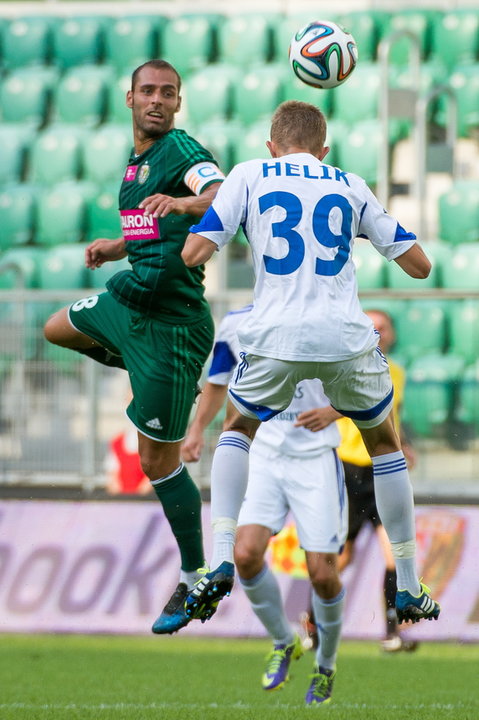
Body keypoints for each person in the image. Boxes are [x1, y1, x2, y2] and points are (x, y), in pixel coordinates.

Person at [181, 100, 440, 638]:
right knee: (386, 446)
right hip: (344, 337)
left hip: (275, 335)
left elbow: (194, 252)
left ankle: (222, 556)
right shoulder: (348, 182)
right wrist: (361, 228)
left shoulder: (250, 174)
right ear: (325, 150)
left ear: (270, 145)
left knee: (238, 429)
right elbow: (420, 266)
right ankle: (411, 582)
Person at [43, 59, 224, 635]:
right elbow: (153, 231)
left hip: (172, 324)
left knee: (156, 462)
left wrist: (185, 204)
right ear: (129, 99)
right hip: (129, 300)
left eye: (168, 93)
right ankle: (151, 378)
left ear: (177, 102)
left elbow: (220, 195)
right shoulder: (136, 165)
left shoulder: (179, 150)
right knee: (55, 328)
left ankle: (195, 572)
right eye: (148, 91)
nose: (157, 100)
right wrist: (117, 246)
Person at [182, 304, 347, 706]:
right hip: (264, 454)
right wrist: (196, 430)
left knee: (323, 575)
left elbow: (367, 384)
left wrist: (335, 410)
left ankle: (325, 665)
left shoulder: (333, 315)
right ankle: (282, 640)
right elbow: (218, 383)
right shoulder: (237, 322)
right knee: (245, 552)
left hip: (316, 460)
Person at [337, 308, 419, 652]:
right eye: (371, 327)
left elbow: (389, 417)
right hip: (347, 469)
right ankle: (311, 619)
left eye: (383, 328)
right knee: (342, 557)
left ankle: (391, 633)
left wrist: (404, 446)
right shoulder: (342, 369)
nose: (378, 333)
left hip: (382, 470)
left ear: (393, 335)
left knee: (394, 554)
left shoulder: (396, 373)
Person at [104, 424, 152, 496]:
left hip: (145, 499)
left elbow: (152, 478)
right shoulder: (117, 442)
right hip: (122, 498)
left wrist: (141, 494)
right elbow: (112, 475)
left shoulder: (152, 443)